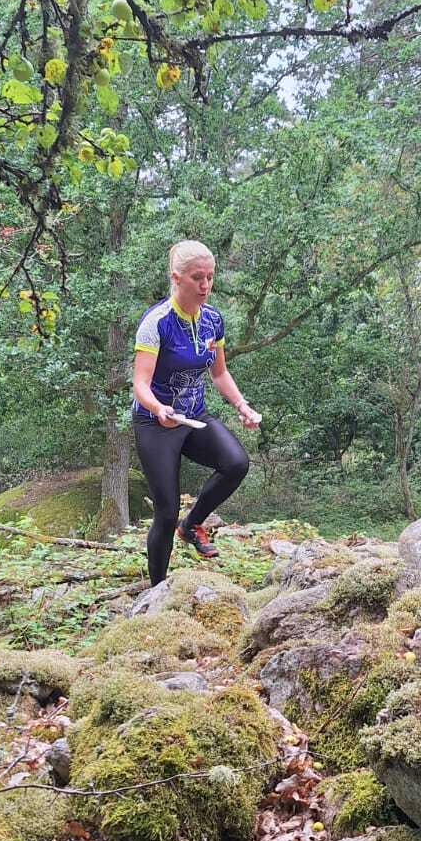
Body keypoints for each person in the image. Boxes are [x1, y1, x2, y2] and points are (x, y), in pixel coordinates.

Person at [131, 240, 262, 586]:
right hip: (156, 423)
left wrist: (242, 406)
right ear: (177, 278)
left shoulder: (212, 320)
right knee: (166, 511)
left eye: (210, 277)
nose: (205, 285)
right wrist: (158, 408)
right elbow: (140, 384)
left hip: (193, 416)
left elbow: (219, 373)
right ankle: (157, 591)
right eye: (197, 278)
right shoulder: (157, 322)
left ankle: (191, 526)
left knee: (236, 463)